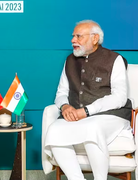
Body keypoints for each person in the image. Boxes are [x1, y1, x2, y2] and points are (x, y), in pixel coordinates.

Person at [44, 20, 133, 180]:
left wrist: (86, 111)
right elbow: (61, 92)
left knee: (92, 127)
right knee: (54, 130)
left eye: (79, 36)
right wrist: (65, 106)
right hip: (78, 115)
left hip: (112, 115)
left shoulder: (115, 59)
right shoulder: (69, 60)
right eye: (73, 36)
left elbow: (119, 97)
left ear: (94, 38)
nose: (73, 40)